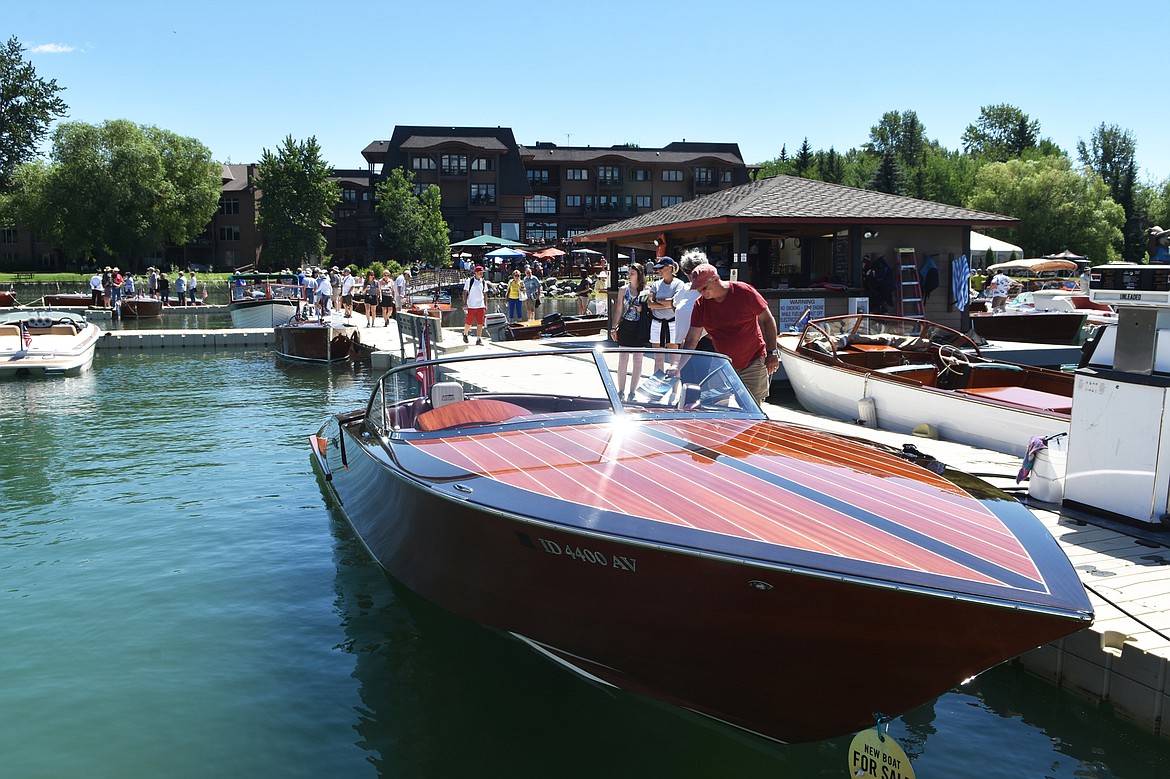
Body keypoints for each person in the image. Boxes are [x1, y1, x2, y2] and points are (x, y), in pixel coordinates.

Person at [669, 263, 779, 405]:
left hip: (752, 360)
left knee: (752, 408)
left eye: (703, 288)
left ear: (715, 279)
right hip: (722, 363)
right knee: (716, 406)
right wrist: (677, 366)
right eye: (698, 289)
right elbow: (691, 340)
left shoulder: (744, 292)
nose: (701, 293)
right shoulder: (700, 305)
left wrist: (772, 353)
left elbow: (768, 320)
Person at [608, 264, 649, 401]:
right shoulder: (623, 290)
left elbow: (650, 309)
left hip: (639, 327)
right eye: (629, 273)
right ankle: (621, 391)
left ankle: (632, 392)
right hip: (626, 325)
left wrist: (642, 310)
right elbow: (619, 309)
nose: (629, 275)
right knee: (623, 360)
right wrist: (613, 327)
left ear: (639, 275)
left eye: (632, 273)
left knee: (638, 361)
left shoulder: (645, 290)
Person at [647, 257, 685, 374]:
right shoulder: (656, 284)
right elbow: (650, 304)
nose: (659, 271)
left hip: (673, 323)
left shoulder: (679, 284)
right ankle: (657, 388)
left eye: (662, 268)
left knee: (674, 360)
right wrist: (668, 303)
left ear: (669, 268)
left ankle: (674, 391)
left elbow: (675, 302)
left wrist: (658, 301)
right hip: (657, 323)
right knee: (658, 359)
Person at [462, 265, 488, 345]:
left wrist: (486, 304)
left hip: (481, 305)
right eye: (480, 273)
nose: (481, 274)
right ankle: (465, 333)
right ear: (476, 273)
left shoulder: (483, 282)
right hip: (471, 305)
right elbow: (465, 292)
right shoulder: (470, 281)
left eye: (482, 273)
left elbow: (485, 293)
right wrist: (465, 303)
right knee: (469, 322)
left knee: (480, 323)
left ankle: (478, 339)